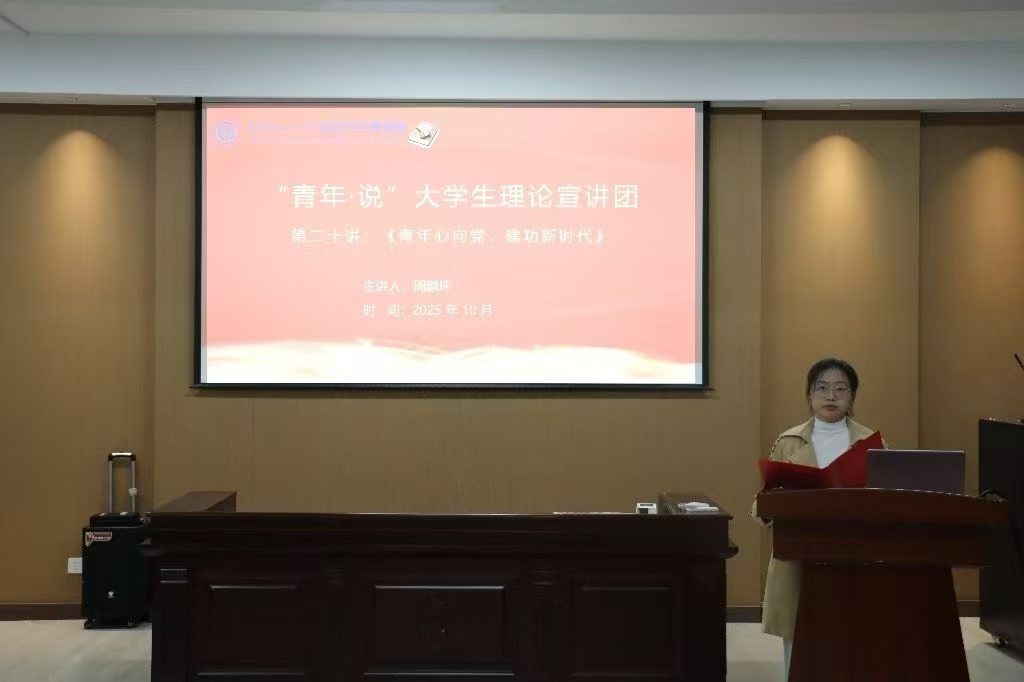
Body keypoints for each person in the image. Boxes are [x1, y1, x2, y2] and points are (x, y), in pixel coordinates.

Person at [753, 357, 882, 680]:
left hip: (852, 551)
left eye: (841, 389)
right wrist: (770, 507)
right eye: (822, 388)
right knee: (798, 638)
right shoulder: (788, 442)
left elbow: (884, 501)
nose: (831, 396)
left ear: (852, 395)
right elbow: (763, 502)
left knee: (852, 636)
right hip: (800, 553)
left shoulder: (871, 444)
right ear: (809, 394)